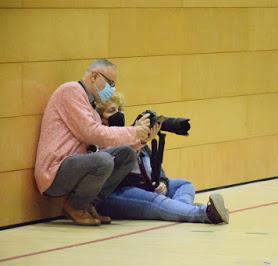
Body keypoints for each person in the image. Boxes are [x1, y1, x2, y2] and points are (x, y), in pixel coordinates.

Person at [35, 59, 151, 226]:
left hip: (77, 166)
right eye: (110, 83)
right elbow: (93, 134)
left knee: (126, 155)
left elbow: (104, 146)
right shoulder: (70, 91)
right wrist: (132, 131)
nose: (112, 89)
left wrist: (139, 140)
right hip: (55, 171)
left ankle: (88, 203)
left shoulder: (90, 106)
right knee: (103, 161)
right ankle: (75, 206)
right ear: (94, 76)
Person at [94, 93, 229, 224]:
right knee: (156, 201)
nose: (118, 114)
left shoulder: (130, 136)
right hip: (116, 193)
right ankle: (206, 214)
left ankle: (179, 209)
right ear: (100, 117)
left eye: (120, 109)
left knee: (184, 185)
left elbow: (155, 167)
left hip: (143, 187)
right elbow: (114, 172)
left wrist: (162, 182)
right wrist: (135, 139)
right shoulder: (97, 142)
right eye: (112, 111)